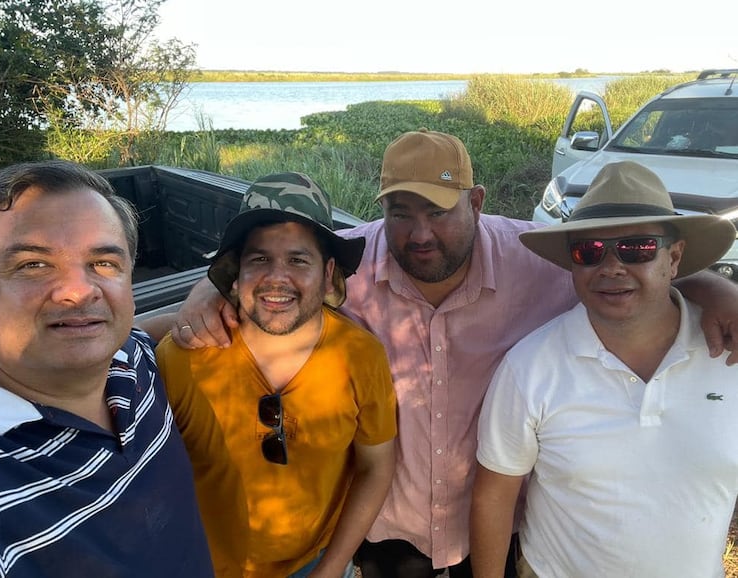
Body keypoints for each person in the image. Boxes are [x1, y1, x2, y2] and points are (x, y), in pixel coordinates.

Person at [169, 130, 738, 577]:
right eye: (401, 212)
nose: (419, 234)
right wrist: (209, 287)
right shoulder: (348, 262)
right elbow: (276, 263)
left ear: (476, 200)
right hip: (387, 533)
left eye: (439, 211)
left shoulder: (539, 261)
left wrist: (713, 286)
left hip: (496, 532)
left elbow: (626, 276)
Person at [470, 160, 738, 577]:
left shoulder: (728, 353)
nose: (612, 267)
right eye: (589, 252)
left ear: (675, 257)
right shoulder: (531, 366)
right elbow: (494, 497)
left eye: (637, 248)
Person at [0, 161, 214, 578]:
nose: (79, 292)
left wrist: (208, 291)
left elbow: (147, 328)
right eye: (34, 264)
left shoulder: (130, 359)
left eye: (103, 263)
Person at [155, 172, 397, 578]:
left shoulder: (360, 356)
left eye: (298, 260)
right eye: (260, 259)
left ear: (328, 271)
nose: (276, 278)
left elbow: (376, 467)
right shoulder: (184, 359)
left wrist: (333, 567)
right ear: (236, 272)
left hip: (313, 564)